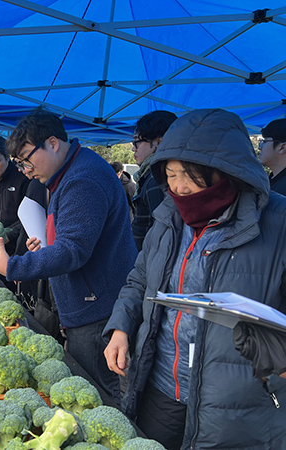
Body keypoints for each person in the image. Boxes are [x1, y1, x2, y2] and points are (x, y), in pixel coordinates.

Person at [103, 108, 286, 450]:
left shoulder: (278, 223)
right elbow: (139, 280)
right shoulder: (169, 215)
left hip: (239, 408)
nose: (178, 186)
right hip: (162, 388)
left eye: (189, 174)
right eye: (170, 174)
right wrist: (121, 327)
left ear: (226, 170)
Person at [0, 109, 137, 405]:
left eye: (26, 159)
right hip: (89, 300)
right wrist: (46, 250)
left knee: (98, 393)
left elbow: (73, 250)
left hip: (96, 309)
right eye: (20, 163)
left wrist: (12, 266)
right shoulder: (71, 173)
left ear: (53, 143)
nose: (26, 170)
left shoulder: (81, 180)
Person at [131, 110, 177, 251]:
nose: (133, 148)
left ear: (158, 142)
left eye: (137, 142)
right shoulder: (151, 175)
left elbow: (163, 234)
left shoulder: (157, 179)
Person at [259, 117, 286, 196]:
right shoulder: (273, 180)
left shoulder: (282, 189)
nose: (260, 147)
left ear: (282, 148)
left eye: (264, 141)